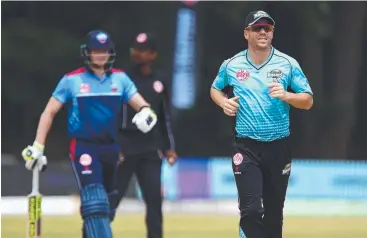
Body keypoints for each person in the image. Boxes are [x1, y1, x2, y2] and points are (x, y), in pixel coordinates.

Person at [21, 30, 158, 238]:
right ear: (88, 53)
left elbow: (141, 104)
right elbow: (49, 112)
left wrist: (147, 113)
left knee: (106, 205)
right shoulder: (72, 80)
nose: (100, 55)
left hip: (111, 148)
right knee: (94, 202)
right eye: (96, 51)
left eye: (104, 51)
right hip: (84, 146)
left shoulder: (120, 79)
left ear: (110, 52)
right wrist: (38, 146)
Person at [210, 11, 313, 238]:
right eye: (258, 28)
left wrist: (287, 96)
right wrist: (224, 103)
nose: (263, 32)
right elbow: (215, 89)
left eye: (268, 28)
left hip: (279, 147)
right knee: (252, 210)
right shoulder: (232, 65)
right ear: (246, 33)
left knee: (274, 214)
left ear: (273, 33)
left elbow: (307, 100)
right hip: (246, 148)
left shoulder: (287, 64)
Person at [109, 32, 178, 238]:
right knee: (113, 197)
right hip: (125, 145)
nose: (137, 53)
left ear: (153, 54)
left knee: (154, 201)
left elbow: (166, 116)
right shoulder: (122, 78)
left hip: (150, 148)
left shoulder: (160, 81)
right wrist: (114, 145)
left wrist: (169, 147)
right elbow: (113, 115)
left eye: (143, 50)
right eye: (135, 49)